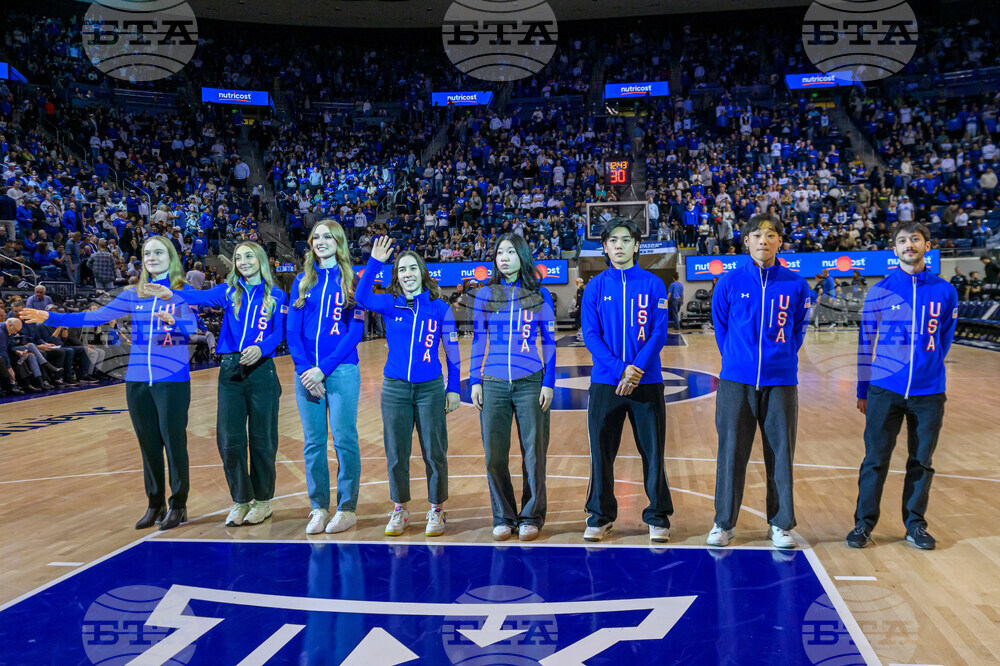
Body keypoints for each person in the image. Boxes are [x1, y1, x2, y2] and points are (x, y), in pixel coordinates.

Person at [22, 237, 196, 530]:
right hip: (137, 380)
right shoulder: (133, 294)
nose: (151, 257)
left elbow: (191, 328)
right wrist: (49, 315)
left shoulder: (182, 291)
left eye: (158, 252)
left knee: (174, 442)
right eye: (146, 253)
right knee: (148, 444)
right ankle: (155, 503)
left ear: (171, 257)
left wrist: (174, 321)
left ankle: (179, 504)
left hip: (172, 378)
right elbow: (95, 315)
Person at [149, 241, 287, 527]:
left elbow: (279, 333)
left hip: (262, 370)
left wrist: (262, 348)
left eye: (249, 256)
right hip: (230, 370)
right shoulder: (228, 292)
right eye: (238, 257)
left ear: (260, 259)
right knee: (229, 438)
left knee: (263, 439)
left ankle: (263, 501)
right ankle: (240, 499)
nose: (244, 261)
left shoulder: (278, 295)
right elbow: (196, 296)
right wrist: (170, 293)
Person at [849, 222, 958, 551]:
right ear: (894, 249)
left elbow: (945, 338)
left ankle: (915, 524)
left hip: (929, 392)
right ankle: (863, 523)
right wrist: (862, 389)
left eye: (915, 239)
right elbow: (866, 343)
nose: (909, 245)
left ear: (927, 245)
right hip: (885, 390)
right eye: (902, 241)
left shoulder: (944, 291)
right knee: (874, 460)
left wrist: (928, 366)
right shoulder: (880, 290)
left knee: (922, 460)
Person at [707, 214, 811, 549]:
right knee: (730, 452)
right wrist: (739, 360)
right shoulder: (729, 283)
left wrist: (778, 359)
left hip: (781, 381)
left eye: (770, 235)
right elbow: (721, 328)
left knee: (780, 453)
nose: (763, 241)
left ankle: (781, 523)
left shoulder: (796, 284)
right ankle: (724, 523)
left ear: (780, 241)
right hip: (735, 381)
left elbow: (797, 330)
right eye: (756, 235)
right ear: (747, 242)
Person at [357, 235, 461, 537]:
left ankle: (436, 508)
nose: (408, 274)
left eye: (413, 268)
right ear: (397, 277)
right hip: (395, 390)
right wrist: (375, 263)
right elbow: (362, 296)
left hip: (430, 389)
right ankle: (400, 509)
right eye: (402, 270)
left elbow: (452, 354)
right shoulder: (391, 305)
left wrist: (453, 388)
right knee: (396, 452)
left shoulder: (439, 308)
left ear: (422, 273)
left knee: (434, 452)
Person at [581, 218, 673, 543]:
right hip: (606, 382)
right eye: (613, 241)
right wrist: (621, 369)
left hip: (647, 382)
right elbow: (591, 336)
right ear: (605, 247)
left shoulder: (653, 284)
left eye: (625, 239)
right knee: (601, 453)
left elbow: (659, 332)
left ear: (636, 245)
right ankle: (600, 515)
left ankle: (658, 515)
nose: (619, 245)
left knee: (653, 452)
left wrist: (636, 369)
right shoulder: (595, 287)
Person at [469, 234, 557, 541]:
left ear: (522, 256)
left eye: (510, 251)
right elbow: (479, 340)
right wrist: (475, 379)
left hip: (530, 382)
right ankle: (504, 516)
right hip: (493, 383)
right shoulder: (485, 295)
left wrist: (549, 381)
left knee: (534, 454)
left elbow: (548, 341)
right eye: (499, 252)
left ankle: (531, 515)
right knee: (494, 454)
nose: (503, 257)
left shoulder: (539, 295)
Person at [286, 221, 366, 535]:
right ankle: (319, 507)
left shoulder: (352, 280)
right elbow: (292, 331)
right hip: (306, 373)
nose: (321, 241)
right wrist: (306, 369)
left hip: (342, 370)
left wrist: (325, 368)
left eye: (327, 236)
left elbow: (355, 331)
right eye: (316, 236)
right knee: (314, 443)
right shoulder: (302, 281)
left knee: (344, 440)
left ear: (339, 242)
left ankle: (346, 509)